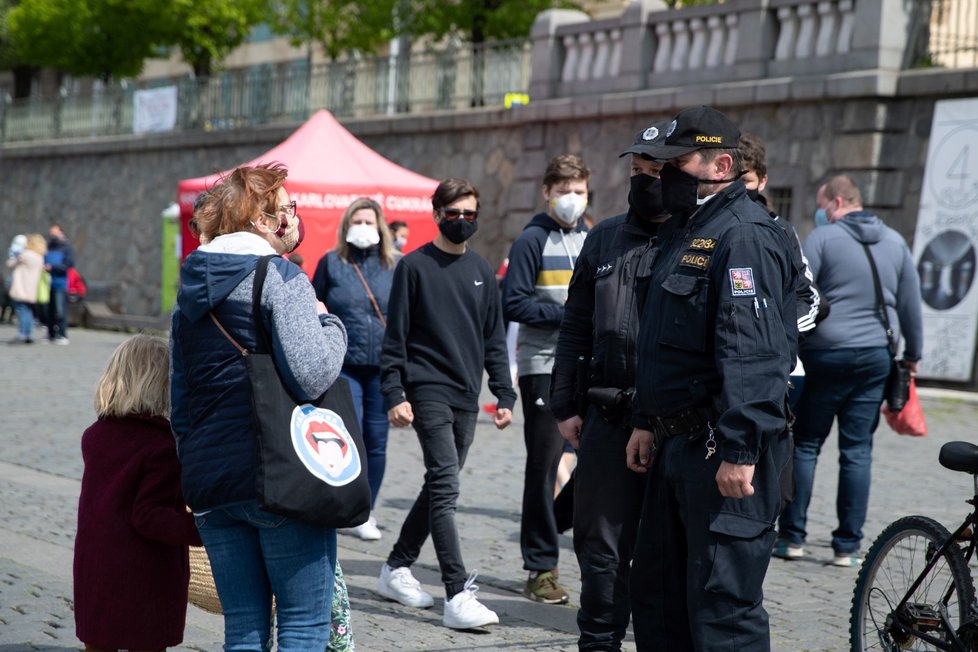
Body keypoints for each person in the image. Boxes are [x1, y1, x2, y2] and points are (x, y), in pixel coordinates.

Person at [625, 105, 799, 650]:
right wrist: (646, 420)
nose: (668, 174)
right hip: (674, 445)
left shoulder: (744, 236)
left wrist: (742, 447)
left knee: (723, 613)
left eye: (679, 162)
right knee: (658, 601)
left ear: (721, 165)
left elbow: (753, 352)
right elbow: (664, 345)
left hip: (722, 454)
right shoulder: (689, 229)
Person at [170, 162, 348, 650]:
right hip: (278, 475)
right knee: (302, 625)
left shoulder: (188, 289)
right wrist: (332, 326)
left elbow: (178, 399)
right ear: (260, 219)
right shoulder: (279, 276)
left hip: (212, 484)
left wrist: (196, 471)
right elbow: (312, 374)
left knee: (244, 626)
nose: (292, 218)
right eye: (287, 208)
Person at [551, 122, 671, 650]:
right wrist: (564, 403)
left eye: (655, 172)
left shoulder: (698, 239)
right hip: (605, 414)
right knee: (597, 549)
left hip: (671, 423)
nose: (643, 181)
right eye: (636, 171)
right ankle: (598, 641)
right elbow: (575, 323)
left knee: (658, 554)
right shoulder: (603, 237)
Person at [377, 178, 516, 630]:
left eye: (469, 215)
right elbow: (394, 337)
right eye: (453, 213)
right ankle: (456, 593)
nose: (461, 221)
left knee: (440, 482)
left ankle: (396, 565)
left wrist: (503, 393)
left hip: (466, 395)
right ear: (436, 213)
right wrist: (395, 392)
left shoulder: (481, 270)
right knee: (446, 487)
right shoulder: (414, 267)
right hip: (427, 390)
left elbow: (494, 338)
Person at [774, 175, 923, 567]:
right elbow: (910, 303)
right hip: (876, 355)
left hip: (826, 353)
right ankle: (847, 546)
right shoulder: (896, 241)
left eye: (823, 205)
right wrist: (913, 355)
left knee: (805, 444)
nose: (821, 213)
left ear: (837, 202)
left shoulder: (823, 240)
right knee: (857, 450)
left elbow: (802, 292)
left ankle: (791, 538)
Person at [73, 334, 203, 652]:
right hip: (144, 575)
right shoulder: (162, 447)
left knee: (99, 641)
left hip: (96, 566)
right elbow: (149, 516)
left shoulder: (96, 436)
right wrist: (201, 528)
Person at [502, 153, 590, 605]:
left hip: (586, 369)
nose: (572, 200)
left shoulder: (592, 237)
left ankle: (550, 521)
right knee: (543, 467)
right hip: (541, 368)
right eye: (564, 192)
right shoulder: (531, 240)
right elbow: (513, 302)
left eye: (578, 192)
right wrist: (568, 316)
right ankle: (541, 567)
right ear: (547, 193)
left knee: (594, 461)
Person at [312, 197, 398, 541]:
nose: (363, 227)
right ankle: (339, 503)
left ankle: (366, 510)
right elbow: (313, 305)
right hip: (344, 364)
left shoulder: (394, 265)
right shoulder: (332, 263)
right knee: (350, 435)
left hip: (383, 367)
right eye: (357, 221)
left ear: (380, 227)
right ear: (346, 226)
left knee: (377, 440)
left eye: (369, 221)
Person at [739, 133, 828, 407]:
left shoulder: (781, 230)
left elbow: (812, 300)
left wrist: (774, 335)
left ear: (762, 181)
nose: (736, 191)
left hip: (773, 372)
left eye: (745, 181)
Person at [6, 233, 46, 344]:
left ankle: (23, 334)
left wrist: (14, 254)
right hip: (32, 289)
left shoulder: (26, 255)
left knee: (22, 311)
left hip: (21, 288)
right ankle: (28, 334)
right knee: (28, 311)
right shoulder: (39, 257)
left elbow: (10, 263)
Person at [44, 223, 75, 345]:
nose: (53, 235)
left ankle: (62, 334)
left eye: (55, 233)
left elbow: (69, 264)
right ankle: (51, 334)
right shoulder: (50, 246)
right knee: (49, 310)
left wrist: (53, 267)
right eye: (51, 233)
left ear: (61, 232)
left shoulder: (66, 247)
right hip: (48, 283)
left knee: (60, 310)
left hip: (60, 283)